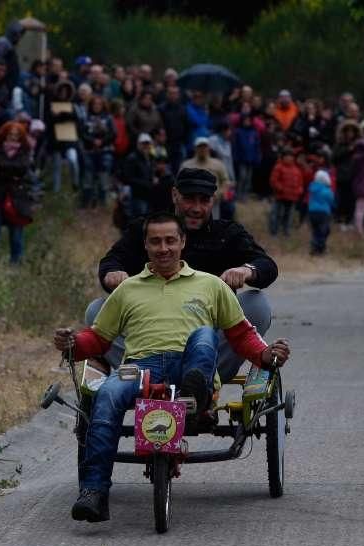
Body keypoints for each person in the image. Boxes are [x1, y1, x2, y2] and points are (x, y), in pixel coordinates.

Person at [55, 212, 291, 522]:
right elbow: (98, 339)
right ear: (146, 246)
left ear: (182, 242)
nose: (163, 248)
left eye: (170, 241)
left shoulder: (210, 285)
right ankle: (94, 492)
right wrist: (73, 345)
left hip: (193, 364)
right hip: (141, 367)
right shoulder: (128, 289)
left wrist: (266, 356)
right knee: (107, 397)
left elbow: (242, 335)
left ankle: (197, 396)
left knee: (205, 335)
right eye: (155, 242)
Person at [90, 167, 278, 383]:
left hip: (210, 341)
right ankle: (138, 372)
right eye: (189, 199)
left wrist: (246, 270)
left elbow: (266, 265)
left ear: (213, 200)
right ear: (174, 195)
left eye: (204, 200)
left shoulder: (227, 234)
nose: (196, 208)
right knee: (96, 310)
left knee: (257, 304)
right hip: (149, 341)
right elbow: (112, 260)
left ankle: (201, 377)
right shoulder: (148, 229)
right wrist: (113, 273)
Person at [0, 121, 33, 270]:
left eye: (17, 135)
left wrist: (1, 169)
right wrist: (11, 173)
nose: (13, 138)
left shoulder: (24, 152)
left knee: (16, 238)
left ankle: (15, 268)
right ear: (4, 134)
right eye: (11, 134)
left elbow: (22, 169)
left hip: (17, 200)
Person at [180, 137, 230, 219]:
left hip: (212, 200)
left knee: (213, 224)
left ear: (209, 148)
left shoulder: (218, 164)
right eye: (200, 147)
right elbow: (179, 182)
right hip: (191, 202)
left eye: (205, 147)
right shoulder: (186, 165)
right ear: (195, 148)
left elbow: (226, 181)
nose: (202, 149)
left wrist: (220, 193)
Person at [269, 149, 305, 236]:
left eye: (291, 157)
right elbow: (273, 181)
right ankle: (274, 231)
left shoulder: (296, 170)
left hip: (292, 197)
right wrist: (281, 189)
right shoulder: (278, 167)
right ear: (283, 157)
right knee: (277, 214)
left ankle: (286, 231)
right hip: (280, 196)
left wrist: (299, 190)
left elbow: (300, 183)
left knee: (289, 216)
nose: (290, 158)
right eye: (288, 156)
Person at [120, 132, 155, 221]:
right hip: (137, 195)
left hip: (148, 194)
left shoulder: (150, 157)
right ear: (138, 144)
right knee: (139, 219)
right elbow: (128, 178)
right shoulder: (132, 158)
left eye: (147, 143)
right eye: (143, 143)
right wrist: (146, 183)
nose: (145, 146)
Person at [307, 168, 336, 255]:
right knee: (323, 231)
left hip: (312, 212)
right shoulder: (327, 191)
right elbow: (331, 200)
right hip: (323, 213)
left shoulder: (312, 188)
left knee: (315, 231)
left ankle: (314, 247)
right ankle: (320, 249)